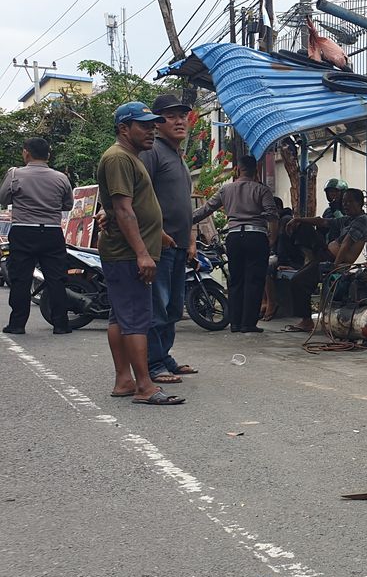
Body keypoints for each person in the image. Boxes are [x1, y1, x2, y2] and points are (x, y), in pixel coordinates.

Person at [96, 102, 184, 405]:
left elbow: (133, 207)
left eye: (151, 125)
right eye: (143, 125)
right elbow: (122, 208)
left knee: (121, 317)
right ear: (124, 128)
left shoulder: (131, 158)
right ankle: (145, 386)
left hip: (127, 250)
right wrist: (142, 253)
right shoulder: (119, 158)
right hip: (127, 253)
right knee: (136, 319)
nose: (151, 130)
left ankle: (124, 381)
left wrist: (160, 234)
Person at [141, 94, 199, 384]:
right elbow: (140, 196)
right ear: (157, 122)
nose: (179, 121)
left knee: (174, 307)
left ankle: (165, 357)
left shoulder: (178, 156)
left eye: (182, 115)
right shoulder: (152, 152)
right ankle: (153, 364)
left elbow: (184, 204)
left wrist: (191, 240)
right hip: (158, 245)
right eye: (170, 116)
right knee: (158, 307)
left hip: (178, 245)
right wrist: (157, 232)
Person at [193, 156, 278, 333]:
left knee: (236, 279)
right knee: (254, 280)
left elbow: (206, 209)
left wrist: (183, 219)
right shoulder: (262, 190)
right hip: (256, 236)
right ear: (256, 169)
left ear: (238, 169)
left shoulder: (226, 190)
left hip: (234, 237)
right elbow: (272, 214)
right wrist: (272, 236)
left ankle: (235, 323)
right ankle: (248, 323)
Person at [0, 138, 73, 334]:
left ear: (26, 153)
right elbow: (68, 205)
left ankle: (17, 324)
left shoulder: (15, 174)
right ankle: (61, 324)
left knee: (20, 278)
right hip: (51, 231)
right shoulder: (61, 178)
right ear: (48, 155)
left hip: (23, 231)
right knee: (56, 278)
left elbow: (3, 198)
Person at [282, 187, 367, 333]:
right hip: (324, 253)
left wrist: (335, 266)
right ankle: (308, 260)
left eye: (350, 202)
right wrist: (297, 219)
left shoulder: (361, 221)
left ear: (360, 203)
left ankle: (306, 321)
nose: (346, 205)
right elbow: (323, 222)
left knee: (298, 281)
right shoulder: (348, 219)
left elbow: (347, 243)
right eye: (344, 202)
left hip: (334, 260)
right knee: (304, 227)